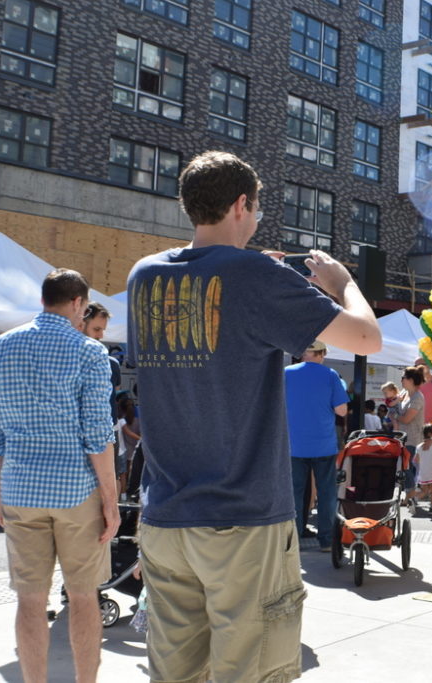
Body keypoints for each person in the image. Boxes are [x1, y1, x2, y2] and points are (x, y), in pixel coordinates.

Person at [127, 150, 380, 683]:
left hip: (166, 515)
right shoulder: (253, 273)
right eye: (258, 207)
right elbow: (366, 337)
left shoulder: (143, 276)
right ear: (242, 204)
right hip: (241, 521)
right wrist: (341, 282)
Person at [0, 268, 119, 682]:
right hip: (76, 492)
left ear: (44, 300)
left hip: (19, 490)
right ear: (79, 304)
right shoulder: (89, 352)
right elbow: (99, 437)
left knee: (29, 600)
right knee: (83, 597)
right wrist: (111, 503)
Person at [285, 340, 349, 552]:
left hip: (293, 444)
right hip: (323, 444)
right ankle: (326, 540)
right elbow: (341, 410)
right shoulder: (331, 375)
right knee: (326, 492)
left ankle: (294, 538)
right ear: (321, 354)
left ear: (303, 353)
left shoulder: (285, 373)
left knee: (295, 492)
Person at [81, 301, 123, 491]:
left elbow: (113, 397)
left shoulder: (111, 364)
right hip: (79, 433)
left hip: (107, 431)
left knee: (108, 481)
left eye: (102, 330)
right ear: (81, 324)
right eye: (97, 329)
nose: (100, 335)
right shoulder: (67, 359)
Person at [398, 366, 425, 506]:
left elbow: (407, 419)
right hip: (403, 438)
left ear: (411, 380)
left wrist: (395, 417)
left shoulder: (417, 397)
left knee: (408, 469)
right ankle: (410, 495)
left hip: (413, 439)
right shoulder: (404, 393)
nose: (401, 380)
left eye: (403, 377)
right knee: (406, 468)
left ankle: (411, 495)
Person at [414, 424, 432, 511]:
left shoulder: (419, 446)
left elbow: (416, 460)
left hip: (423, 473)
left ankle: (414, 499)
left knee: (424, 491)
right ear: (430, 434)